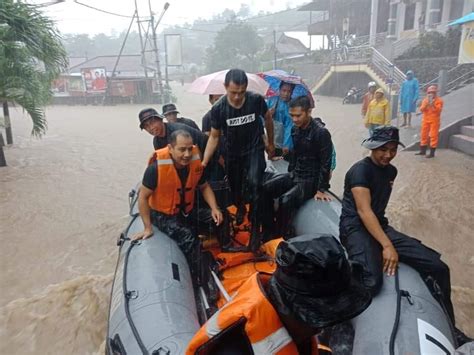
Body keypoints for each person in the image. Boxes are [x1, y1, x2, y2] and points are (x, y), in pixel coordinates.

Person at [339, 126, 471, 346]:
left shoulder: (391, 171)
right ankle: (339, 317)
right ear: (372, 147)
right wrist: (387, 246)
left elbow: (377, 213)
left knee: (438, 267)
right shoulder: (360, 171)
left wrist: (388, 240)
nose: (388, 155)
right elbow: (364, 211)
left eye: (392, 149)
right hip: (355, 227)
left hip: (379, 224)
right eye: (383, 149)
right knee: (371, 282)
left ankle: (451, 327)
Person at [186, 235, 372, 355]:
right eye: (320, 321)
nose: (319, 330)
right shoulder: (234, 349)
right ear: (290, 308)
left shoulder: (291, 324)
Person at [201, 69, 275, 250]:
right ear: (226, 87)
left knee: (255, 183)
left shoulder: (256, 100)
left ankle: (256, 231)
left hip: (254, 150)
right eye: (233, 92)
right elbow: (214, 137)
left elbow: (268, 120)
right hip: (232, 154)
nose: (236, 97)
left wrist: (270, 143)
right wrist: (203, 162)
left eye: (241, 92)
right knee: (234, 190)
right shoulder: (218, 109)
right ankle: (240, 206)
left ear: (246, 88)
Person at [133, 130, 223, 276]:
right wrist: (147, 228)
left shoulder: (195, 164)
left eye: (189, 149)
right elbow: (142, 197)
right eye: (182, 150)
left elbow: (204, 186)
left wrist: (214, 208)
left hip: (186, 209)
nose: (187, 154)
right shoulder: (155, 169)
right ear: (170, 148)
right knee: (187, 236)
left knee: (220, 217)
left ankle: (225, 249)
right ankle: (202, 277)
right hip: (163, 214)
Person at [262, 96, 334, 240]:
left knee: (286, 200)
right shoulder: (295, 130)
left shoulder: (321, 133)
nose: (294, 119)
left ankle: (282, 235)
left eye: (298, 115)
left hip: (310, 179)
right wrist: (281, 157)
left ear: (309, 112)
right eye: (292, 115)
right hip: (296, 174)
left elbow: (326, 162)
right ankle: (268, 229)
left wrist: (321, 189)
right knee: (265, 188)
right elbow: (295, 154)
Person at [138, 107, 207, 153]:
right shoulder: (156, 141)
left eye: (152, 122)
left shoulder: (179, 132)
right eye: (146, 126)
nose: (151, 128)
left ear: (161, 120)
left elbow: (195, 151)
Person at [267, 82, 295, 157]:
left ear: (292, 92)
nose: (286, 94)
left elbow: (290, 127)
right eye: (284, 90)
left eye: (289, 91)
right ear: (279, 90)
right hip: (271, 140)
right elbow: (261, 121)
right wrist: (268, 115)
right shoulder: (271, 101)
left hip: (286, 142)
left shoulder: (293, 105)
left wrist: (286, 144)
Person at [416, 85, 443, 158]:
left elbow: (439, 110)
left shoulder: (439, 100)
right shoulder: (425, 100)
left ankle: (432, 153)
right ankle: (422, 151)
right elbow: (421, 109)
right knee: (423, 135)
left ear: (435, 93)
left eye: (433, 92)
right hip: (425, 120)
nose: (431, 94)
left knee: (433, 136)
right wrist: (427, 104)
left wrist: (433, 104)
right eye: (430, 92)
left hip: (434, 120)